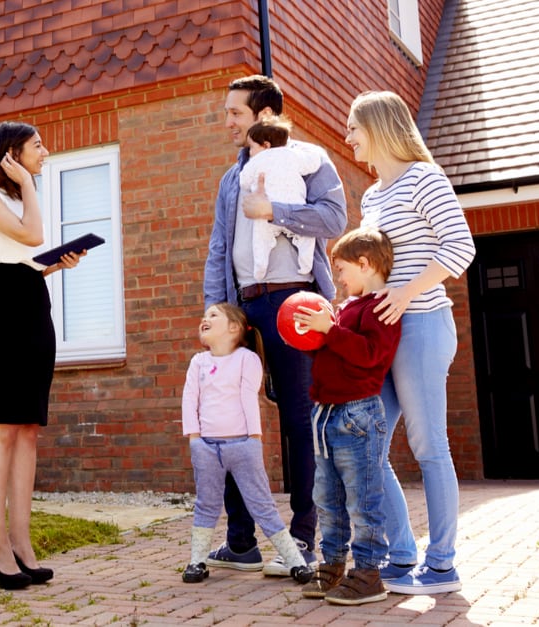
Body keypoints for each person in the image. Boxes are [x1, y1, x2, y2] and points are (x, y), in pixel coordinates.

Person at [203, 74, 348, 577]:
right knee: (232, 422)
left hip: (294, 301)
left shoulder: (310, 160)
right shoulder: (229, 179)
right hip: (243, 309)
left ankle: (306, 535)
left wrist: (275, 211)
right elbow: (220, 247)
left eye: (235, 113)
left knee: (299, 420)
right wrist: (216, 312)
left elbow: (334, 219)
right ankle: (241, 541)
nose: (227, 122)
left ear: (263, 116)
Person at [345, 90, 476, 595]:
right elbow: (374, 269)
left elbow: (459, 247)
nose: (349, 136)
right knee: (367, 447)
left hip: (422, 326)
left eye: (354, 127)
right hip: (383, 333)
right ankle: (402, 554)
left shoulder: (426, 178)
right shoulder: (372, 195)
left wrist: (404, 293)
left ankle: (441, 564)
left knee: (428, 447)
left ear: (378, 127)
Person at [0, 121, 86, 590]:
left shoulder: (22, 198)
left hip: (32, 305)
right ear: (10, 154)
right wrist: (29, 184)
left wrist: (56, 267)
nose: (45, 151)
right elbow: (32, 237)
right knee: (1, 425)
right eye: (37, 146)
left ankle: (22, 542)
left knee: (29, 429)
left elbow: (30, 260)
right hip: (0, 308)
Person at [291, 227, 401, 605]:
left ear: (365, 263)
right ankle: (332, 564)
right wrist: (312, 338)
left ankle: (369, 572)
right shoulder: (344, 309)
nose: (337, 278)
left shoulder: (381, 307)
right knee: (327, 497)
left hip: (358, 415)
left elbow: (371, 354)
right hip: (324, 415)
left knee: (362, 498)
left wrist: (331, 330)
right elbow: (330, 356)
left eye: (340, 269)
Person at [180, 302, 313, 585]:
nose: (205, 318)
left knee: (262, 505)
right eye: (204, 315)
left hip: (242, 445)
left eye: (213, 315)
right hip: (206, 448)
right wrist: (194, 438)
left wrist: (255, 439)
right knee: (206, 504)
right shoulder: (198, 362)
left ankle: (296, 562)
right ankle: (197, 561)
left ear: (234, 328)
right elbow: (190, 401)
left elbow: (248, 399)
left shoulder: (246, 359)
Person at [241, 116, 322, 281]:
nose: (250, 152)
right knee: (306, 239)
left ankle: (260, 268)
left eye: (252, 147)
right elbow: (313, 162)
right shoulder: (292, 154)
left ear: (266, 146)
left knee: (260, 240)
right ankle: (305, 264)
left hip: (266, 212)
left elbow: (243, 180)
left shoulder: (257, 160)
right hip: (294, 210)